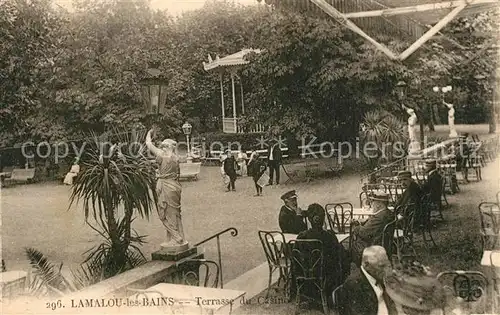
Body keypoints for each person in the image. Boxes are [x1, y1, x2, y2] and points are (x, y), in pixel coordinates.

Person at [294, 203, 351, 306]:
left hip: (306, 275)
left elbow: (296, 258)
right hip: (326, 277)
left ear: (310, 220)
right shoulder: (329, 235)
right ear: (323, 219)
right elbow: (340, 256)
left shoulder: (302, 236)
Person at [145, 129, 187, 249]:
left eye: (163, 146)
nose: (161, 148)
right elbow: (177, 173)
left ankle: (176, 238)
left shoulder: (162, 155)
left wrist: (150, 132)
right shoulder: (175, 158)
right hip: (175, 186)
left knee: (165, 213)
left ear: (166, 147)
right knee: (174, 213)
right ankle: (174, 237)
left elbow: (148, 143)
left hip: (165, 186)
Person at [336, 246, 397, 315]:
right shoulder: (354, 285)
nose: (386, 270)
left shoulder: (377, 276)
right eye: (381, 266)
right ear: (366, 265)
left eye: (386, 265)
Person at [351, 192, 398, 265]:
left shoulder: (379, 217)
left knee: (351, 244)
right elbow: (372, 227)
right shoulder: (388, 213)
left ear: (379, 204)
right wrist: (365, 222)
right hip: (384, 243)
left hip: (374, 246)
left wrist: (356, 226)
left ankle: (359, 265)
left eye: (372, 202)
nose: (371, 205)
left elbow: (364, 233)